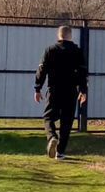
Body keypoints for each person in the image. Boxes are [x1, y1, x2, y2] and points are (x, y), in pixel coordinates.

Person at [34, 25, 88, 160]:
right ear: (71, 35)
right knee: (66, 122)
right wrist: (83, 91)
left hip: (54, 89)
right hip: (71, 91)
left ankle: (52, 137)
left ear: (59, 36)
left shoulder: (50, 50)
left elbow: (42, 70)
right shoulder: (77, 51)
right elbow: (82, 72)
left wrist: (37, 88)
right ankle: (60, 152)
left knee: (48, 117)